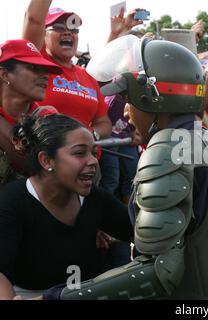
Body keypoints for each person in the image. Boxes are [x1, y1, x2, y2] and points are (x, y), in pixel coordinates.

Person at [42, 36, 208, 300]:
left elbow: (158, 273)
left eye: (128, 98)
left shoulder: (166, 151)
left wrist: (57, 297)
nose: (126, 112)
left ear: (152, 99)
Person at [0, 114, 133, 300]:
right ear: (46, 160)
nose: (93, 161)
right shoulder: (11, 203)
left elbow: (141, 231)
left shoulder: (94, 199)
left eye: (94, 153)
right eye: (80, 153)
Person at [23, 0, 112, 140]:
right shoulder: (37, 65)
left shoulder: (88, 76)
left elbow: (104, 123)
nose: (68, 33)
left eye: (73, 29)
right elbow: (33, 19)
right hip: (45, 155)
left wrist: (89, 135)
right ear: (43, 34)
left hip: (86, 158)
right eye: (58, 27)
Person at [0, 39, 62, 184]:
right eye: (34, 68)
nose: (46, 75)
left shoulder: (48, 118)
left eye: (46, 70)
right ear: (5, 75)